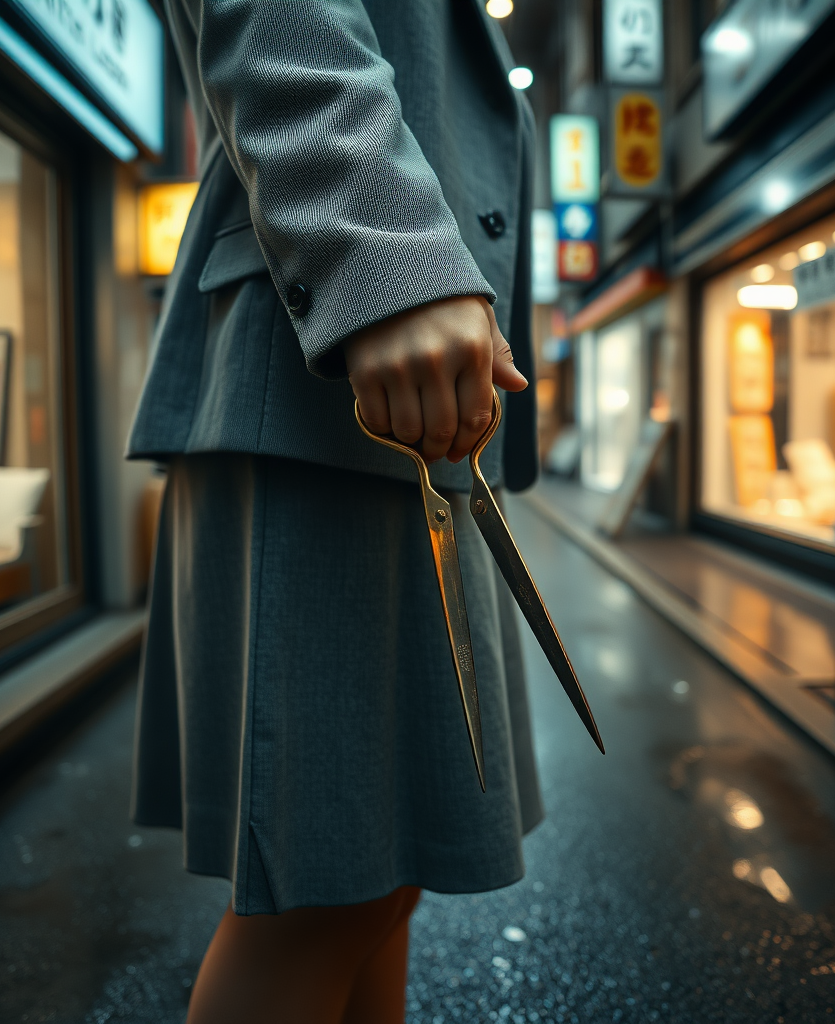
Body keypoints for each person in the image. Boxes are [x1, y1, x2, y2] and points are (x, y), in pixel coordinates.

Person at [126, 2, 543, 1021]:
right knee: (326, 891)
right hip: (325, 373)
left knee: (373, 874)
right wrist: (388, 258)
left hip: (388, 383)